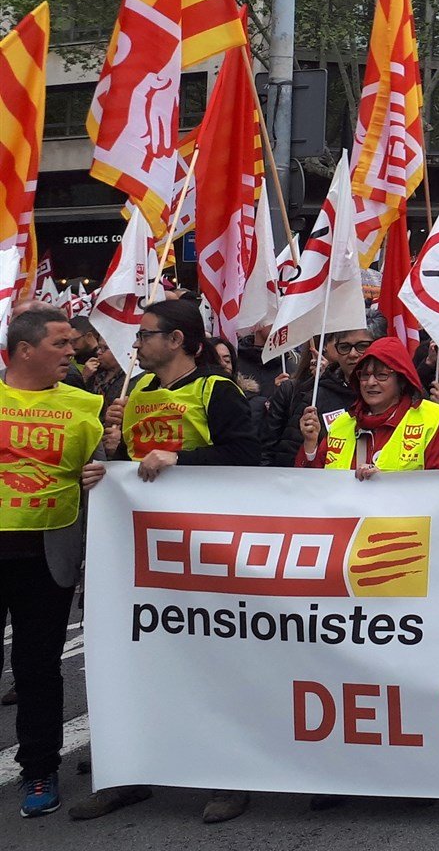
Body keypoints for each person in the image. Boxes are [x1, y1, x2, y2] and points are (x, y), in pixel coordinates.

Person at [77, 299, 257, 824]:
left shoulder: (215, 390)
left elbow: (247, 458)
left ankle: (230, 776)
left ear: (177, 340)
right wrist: (105, 467)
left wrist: (184, 460)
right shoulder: (134, 396)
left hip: (207, 553)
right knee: (132, 662)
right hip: (142, 556)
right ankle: (128, 772)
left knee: (215, 664)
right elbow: (132, 471)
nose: (136, 343)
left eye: (146, 334)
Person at [1, 310, 106, 817]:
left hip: (47, 557)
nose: (73, 351)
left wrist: (105, 468)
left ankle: (39, 769)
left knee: (37, 668)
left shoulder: (87, 403)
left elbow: (112, 472)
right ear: (24, 349)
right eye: (61, 343)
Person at [294, 335, 439, 474]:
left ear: (401, 381)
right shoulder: (341, 425)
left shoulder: (435, 421)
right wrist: (310, 445)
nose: (370, 382)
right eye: (365, 375)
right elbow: (314, 490)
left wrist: (384, 486)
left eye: (381, 375)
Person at [260, 324, 376, 466]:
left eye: (362, 346)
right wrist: (310, 448)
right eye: (344, 347)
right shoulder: (315, 397)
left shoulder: (393, 399)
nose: (352, 354)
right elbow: (287, 457)